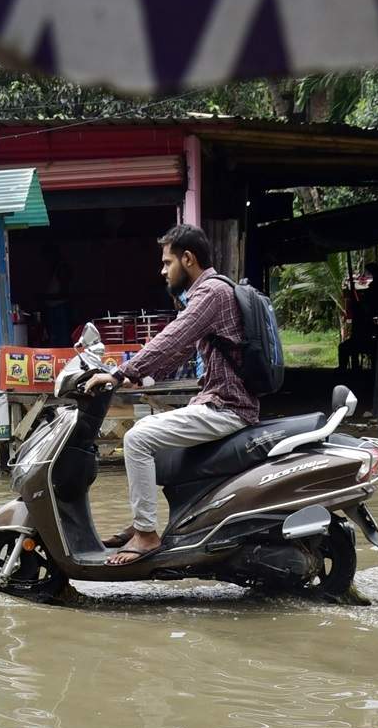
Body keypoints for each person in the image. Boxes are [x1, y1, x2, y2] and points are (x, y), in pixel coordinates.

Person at [83, 224, 258, 565]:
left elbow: (175, 337)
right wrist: (140, 375)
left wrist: (120, 373)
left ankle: (147, 535)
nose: (162, 271)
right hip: (221, 402)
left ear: (188, 259)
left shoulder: (210, 294)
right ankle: (142, 523)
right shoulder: (211, 294)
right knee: (152, 446)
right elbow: (178, 350)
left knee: (136, 439)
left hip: (227, 406)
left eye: (167, 263)